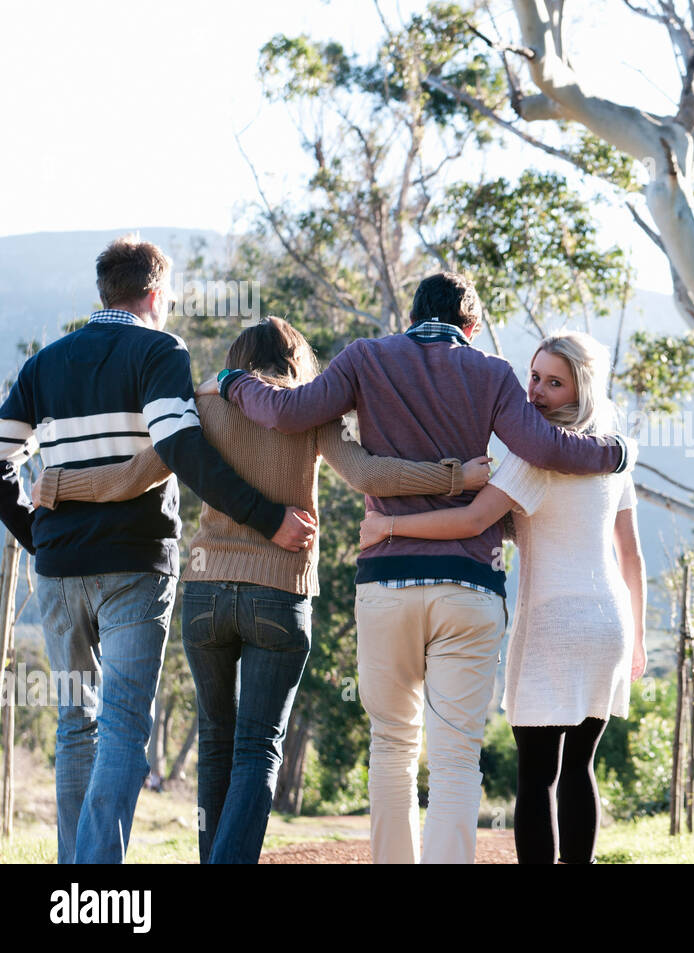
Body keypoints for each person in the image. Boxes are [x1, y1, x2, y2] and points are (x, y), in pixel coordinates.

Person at [203, 272, 635, 864]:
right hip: (470, 589)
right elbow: (546, 448)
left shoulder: (365, 359)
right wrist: (616, 452)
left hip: (387, 582)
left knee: (392, 747)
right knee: (457, 754)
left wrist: (232, 382)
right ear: (472, 326)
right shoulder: (493, 373)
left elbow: (286, 412)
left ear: (411, 315)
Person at [35, 316, 491, 863]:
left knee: (216, 745)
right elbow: (371, 476)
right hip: (278, 594)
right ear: (298, 359)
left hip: (204, 596)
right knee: (257, 749)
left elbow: (131, 476)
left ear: (236, 357)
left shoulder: (203, 409)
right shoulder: (312, 415)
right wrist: (454, 478)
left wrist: (59, 484)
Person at [0, 235, 315, 864]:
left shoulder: (46, 364)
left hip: (59, 570)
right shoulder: (157, 349)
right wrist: (266, 517)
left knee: (74, 726)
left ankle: (76, 881)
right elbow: (180, 446)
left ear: (105, 291)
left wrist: (37, 535)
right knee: (120, 726)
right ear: (154, 293)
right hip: (134, 564)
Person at [358, 330, 646, 864]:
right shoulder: (611, 455)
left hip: (551, 623)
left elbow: (472, 518)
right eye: (533, 377)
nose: (535, 392)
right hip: (610, 622)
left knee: (537, 775)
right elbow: (631, 555)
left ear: (580, 389)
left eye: (553, 383)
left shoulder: (534, 456)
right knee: (579, 766)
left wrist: (388, 524)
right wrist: (639, 639)